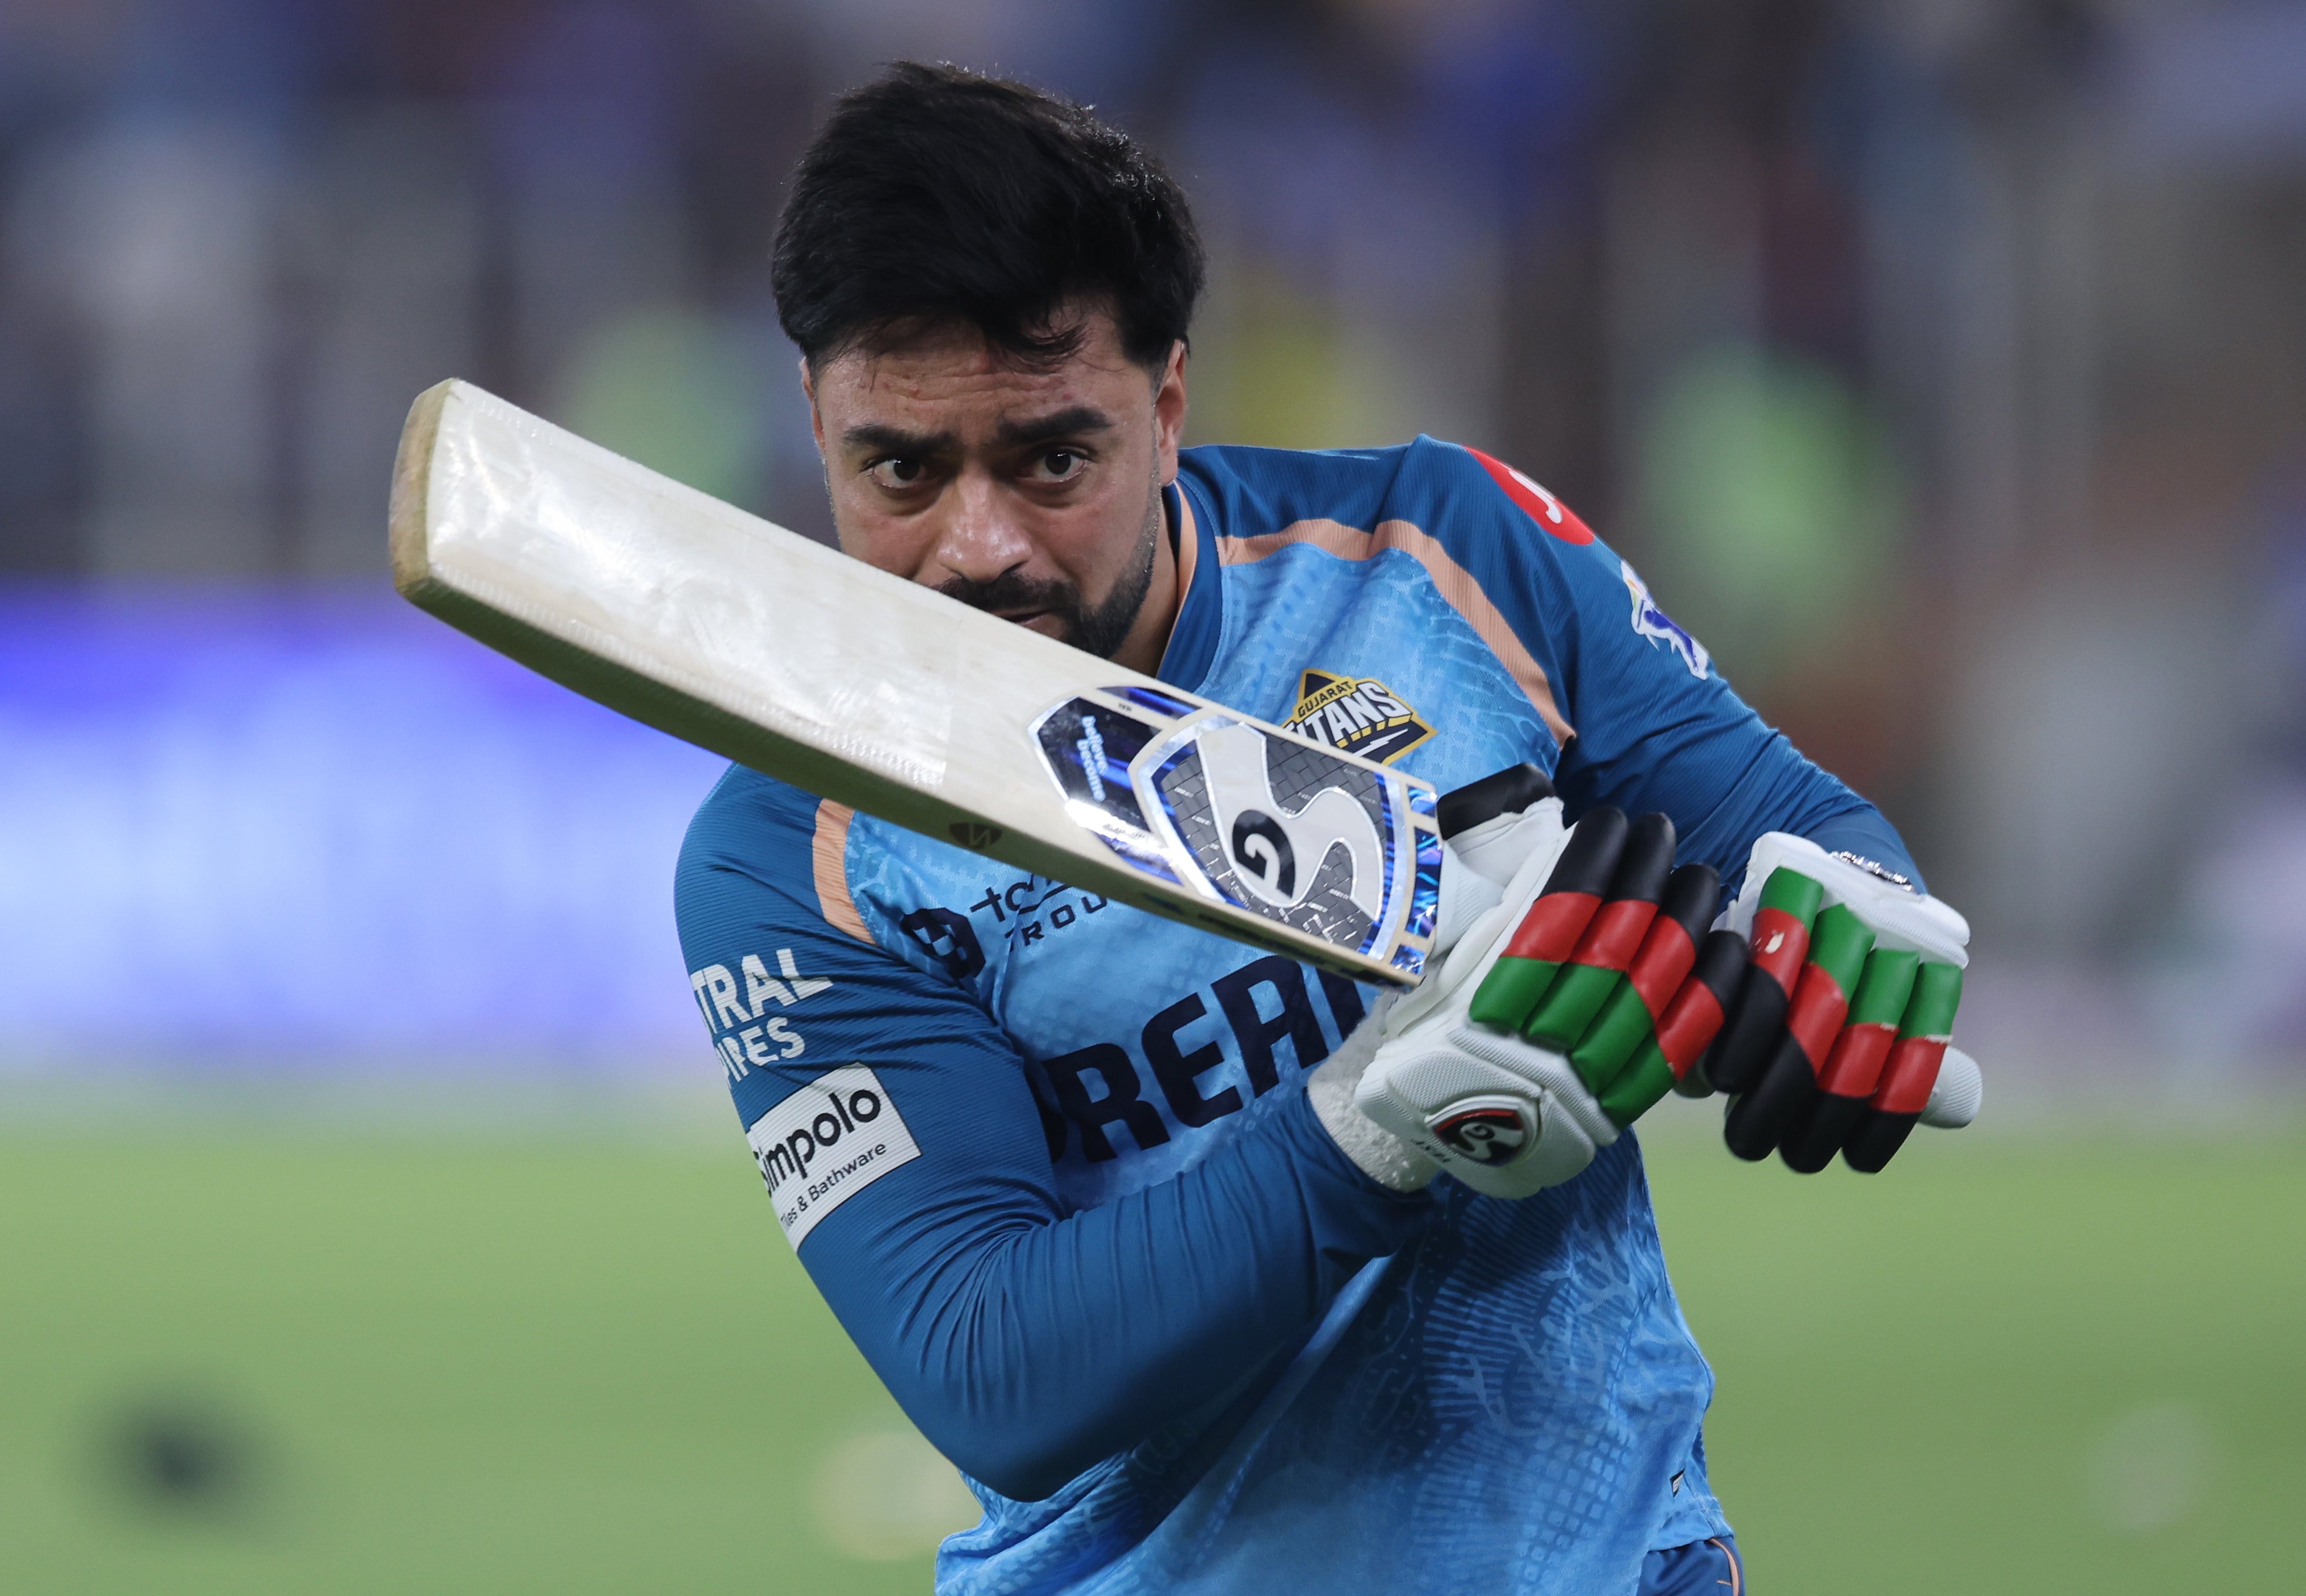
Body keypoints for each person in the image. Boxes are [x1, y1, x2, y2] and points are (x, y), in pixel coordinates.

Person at [675, 61, 1964, 1595]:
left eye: (1052, 459)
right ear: (815, 421)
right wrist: (1378, 1123)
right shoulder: (797, 853)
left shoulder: (1444, 553)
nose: (978, 547)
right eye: (901, 469)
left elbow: (1795, 829)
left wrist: (1843, 929)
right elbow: (994, 1369)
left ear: (1167, 403)